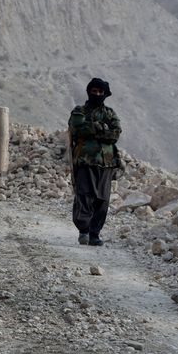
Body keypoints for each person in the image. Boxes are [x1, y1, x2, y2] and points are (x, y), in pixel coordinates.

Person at [67, 77, 121, 246]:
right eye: (94, 91)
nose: (97, 94)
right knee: (85, 196)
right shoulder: (79, 111)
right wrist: (100, 128)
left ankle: (95, 233)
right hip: (85, 160)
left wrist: (93, 129)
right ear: (89, 92)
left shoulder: (110, 113)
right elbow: (77, 128)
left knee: (102, 199)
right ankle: (83, 230)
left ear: (105, 94)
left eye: (100, 92)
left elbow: (115, 133)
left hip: (107, 163)